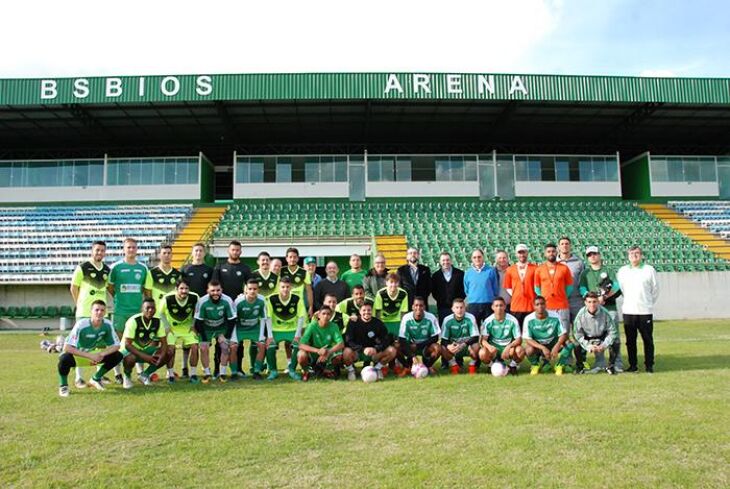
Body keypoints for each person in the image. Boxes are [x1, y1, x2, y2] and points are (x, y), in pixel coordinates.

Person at [57, 300, 122, 397]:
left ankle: (96, 379)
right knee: (64, 359)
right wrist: (91, 356)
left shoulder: (107, 324)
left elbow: (116, 345)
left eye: (102, 310)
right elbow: (67, 347)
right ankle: (63, 386)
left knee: (118, 355)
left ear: (105, 312)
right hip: (79, 355)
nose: (99, 312)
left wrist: (101, 354)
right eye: (96, 310)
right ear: (91, 311)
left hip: (94, 354)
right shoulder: (81, 324)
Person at [108, 237, 151, 382]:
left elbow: (147, 290)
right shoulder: (116, 267)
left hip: (137, 311)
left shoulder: (143, 268)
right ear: (124, 249)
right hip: (120, 311)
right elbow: (110, 286)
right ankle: (117, 373)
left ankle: (140, 373)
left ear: (137, 249)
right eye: (128, 247)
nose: (131, 250)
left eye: (133, 247)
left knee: (138, 342)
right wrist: (117, 298)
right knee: (119, 343)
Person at [69, 240, 110, 388]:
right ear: (92, 251)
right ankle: (78, 378)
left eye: (102, 250)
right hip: (85, 313)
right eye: (97, 250)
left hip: (101, 314)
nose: (99, 253)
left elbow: (107, 288)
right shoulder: (82, 268)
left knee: (100, 343)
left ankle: (98, 374)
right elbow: (73, 288)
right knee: (80, 345)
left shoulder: (106, 270)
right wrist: (79, 304)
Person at [578, 246, 623, 371]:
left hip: (610, 308)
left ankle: (617, 363)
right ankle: (600, 363)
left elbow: (616, 286)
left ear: (599, 255)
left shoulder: (609, 270)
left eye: (595, 253)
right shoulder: (585, 273)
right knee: (597, 336)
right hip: (594, 309)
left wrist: (604, 296)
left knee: (614, 336)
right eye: (589, 254)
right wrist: (593, 299)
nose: (592, 256)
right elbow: (582, 288)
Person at [617, 246, 659, 373]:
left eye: (637, 253)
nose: (634, 256)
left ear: (641, 255)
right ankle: (633, 365)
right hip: (629, 311)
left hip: (645, 311)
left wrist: (648, 303)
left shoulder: (649, 270)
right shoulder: (623, 271)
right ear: (628, 255)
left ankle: (649, 365)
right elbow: (621, 289)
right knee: (630, 341)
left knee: (647, 339)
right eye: (631, 253)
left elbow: (655, 289)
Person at [213, 240, 252, 376]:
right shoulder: (219, 266)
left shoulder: (245, 268)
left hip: (238, 308)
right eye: (233, 250)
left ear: (240, 252)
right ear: (228, 251)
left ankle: (238, 369)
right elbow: (215, 286)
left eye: (237, 250)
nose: (235, 252)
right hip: (222, 308)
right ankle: (217, 370)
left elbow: (249, 287)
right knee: (221, 340)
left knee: (238, 341)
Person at [120, 298, 170, 389]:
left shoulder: (158, 322)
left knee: (168, 352)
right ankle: (127, 377)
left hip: (144, 350)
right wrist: (145, 356)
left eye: (153, 308)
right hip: (127, 352)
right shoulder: (134, 321)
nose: (150, 310)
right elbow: (127, 345)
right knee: (130, 357)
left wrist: (162, 355)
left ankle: (144, 375)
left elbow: (164, 343)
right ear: (142, 309)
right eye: (147, 308)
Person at [180, 242, 214, 377]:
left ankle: (205, 367)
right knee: (188, 339)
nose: (198, 253)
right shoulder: (185, 269)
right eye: (196, 251)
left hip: (204, 308)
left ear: (204, 253)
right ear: (192, 252)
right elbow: (181, 288)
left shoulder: (209, 270)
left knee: (204, 341)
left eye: (201, 251)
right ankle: (184, 367)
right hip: (188, 309)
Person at [265, 276, 308, 381]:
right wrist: (270, 336)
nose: (285, 289)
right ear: (279, 287)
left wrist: (297, 335)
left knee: (297, 346)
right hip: (276, 330)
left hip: (292, 329)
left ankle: (292, 370)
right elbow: (268, 317)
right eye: (283, 287)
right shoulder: (272, 299)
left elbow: (301, 317)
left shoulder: (297, 299)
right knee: (270, 346)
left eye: (287, 287)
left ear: (291, 287)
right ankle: (273, 371)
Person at [194, 280, 236, 383]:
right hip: (206, 328)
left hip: (221, 327)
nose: (215, 293)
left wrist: (225, 336)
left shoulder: (227, 300)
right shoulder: (202, 301)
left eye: (218, 290)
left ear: (221, 290)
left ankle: (222, 373)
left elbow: (232, 320)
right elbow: (198, 322)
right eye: (212, 290)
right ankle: (207, 373)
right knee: (203, 348)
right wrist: (204, 338)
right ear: (207, 290)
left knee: (225, 347)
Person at [159, 280, 200, 383]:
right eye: (181, 288)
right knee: (171, 349)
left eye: (186, 288)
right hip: (172, 329)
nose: (184, 291)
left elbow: (197, 311)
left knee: (195, 347)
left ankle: (193, 374)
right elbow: (161, 313)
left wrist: (193, 325)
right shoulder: (168, 298)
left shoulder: (194, 297)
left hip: (187, 329)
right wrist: (167, 327)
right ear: (176, 289)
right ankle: (171, 375)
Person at [343, 302, 396, 381]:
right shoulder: (353, 323)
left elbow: (385, 340)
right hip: (358, 352)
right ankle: (351, 370)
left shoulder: (378, 323)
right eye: (364, 310)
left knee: (392, 350)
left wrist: (376, 349)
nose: (366, 312)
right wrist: (362, 349)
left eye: (369, 310)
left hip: (374, 353)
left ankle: (377, 368)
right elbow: (349, 341)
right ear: (360, 311)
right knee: (346, 352)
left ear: (372, 311)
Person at [231, 279, 271, 380]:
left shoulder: (262, 300)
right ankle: (234, 373)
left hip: (254, 328)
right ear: (246, 290)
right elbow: (233, 320)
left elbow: (264, 319)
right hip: (240, 328)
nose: (252, 291)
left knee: (262, 345)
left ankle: (256, 371)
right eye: (250, 289)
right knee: (233, 347)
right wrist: (233, 336)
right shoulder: (238, 302)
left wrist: (262, 335)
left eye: (255, 289)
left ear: (258, 290)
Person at [523, 296, 572, 376]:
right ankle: (535, 364)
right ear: (534, 306)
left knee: (569, 343)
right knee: (528, 349)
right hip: (539, 345)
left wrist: (557, 345)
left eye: (542, 304)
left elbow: (564, 334)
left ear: (545, 305)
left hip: (553, 342)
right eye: (537, 304)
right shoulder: (528, 319)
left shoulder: (555, 316)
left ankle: (559, 365)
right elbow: (528, 339)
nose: (540, 306)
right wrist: (542, 348)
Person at [573, 292, 620, 374]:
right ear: (585, 303)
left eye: (594, 302)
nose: (592, 305)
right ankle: (580, 367)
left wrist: (604, 345)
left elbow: (613, 332)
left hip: (602, 336)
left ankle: (611, 366)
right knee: (576, 344)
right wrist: (588, 346)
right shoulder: (580, 315)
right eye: (589, 302)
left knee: (616, 341)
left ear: (598, 302)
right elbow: (577, 334)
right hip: (587, 337)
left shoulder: (605, 313)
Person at [296, 306, 345, 381]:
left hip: (327, 352)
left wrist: (328, 352)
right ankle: (306, 371)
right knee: (301, 355)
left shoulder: (334, 326)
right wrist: (318, 351)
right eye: (323, 313)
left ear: (331, 315)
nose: (326, 316)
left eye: (328, 314)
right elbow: (301, 345)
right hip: (314, 351)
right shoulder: (312, 326)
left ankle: (329, 370)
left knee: (338, 356)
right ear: (319, 315)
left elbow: (341, 344)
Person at [533, 243, 573, 333]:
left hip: (562, 306)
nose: (551, 253)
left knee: (564, 332)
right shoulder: (539, 269)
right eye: (549, 252)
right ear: (545, 254)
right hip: (546, 306)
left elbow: (570, 287)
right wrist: (544, 299)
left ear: (557, 252)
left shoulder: (564, 268)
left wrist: (562, 296)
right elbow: (537, 288)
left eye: (553, 251)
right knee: (548, 332)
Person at [479, 297, 524, 375]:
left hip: (507, 348)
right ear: (492, 307)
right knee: (482, 353)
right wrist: (490, 347)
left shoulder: (512, 320)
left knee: (520, 350)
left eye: (501, 305)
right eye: (496, 306)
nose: (499, 308)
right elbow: (483, 340)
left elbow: (519, 339)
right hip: (494, 349)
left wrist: (508, 347)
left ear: (505, 306)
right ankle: (491, 366)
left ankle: (512, 366)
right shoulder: (488, 321)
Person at [398, 296, 441, 375]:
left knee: (437, 348)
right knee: (396, 346)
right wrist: (412, 355)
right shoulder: (406, 318)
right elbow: (402, 339)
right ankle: (407, 367)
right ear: (412, 307)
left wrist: (418, 345)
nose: (418, 308)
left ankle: (428, 366)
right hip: (411, 346)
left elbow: (435, 337)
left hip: (425, 346)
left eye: (421, 305)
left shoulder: (431, 317)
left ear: (424, 307)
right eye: (416, 305)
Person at [440, 298, 480, 375]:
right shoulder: (447, 320)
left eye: (461, 307)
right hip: (454, 347)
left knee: (476, 345)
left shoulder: (470, 318)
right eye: (457, 307)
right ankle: (454, 366)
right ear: (452, 309)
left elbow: (475, 337)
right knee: (443, 348)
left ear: (465, 308)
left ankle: (472, 366)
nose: (459, 310)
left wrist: (463, 344)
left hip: (467, 346)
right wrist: (448, 346)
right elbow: (443, 339)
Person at [503, 244, 537, 327]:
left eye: (524, 252)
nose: (522, 255)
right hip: (516, 306)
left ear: (527, 253)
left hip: (531, 305)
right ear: (516, 254)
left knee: (531, 331)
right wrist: (516, 294)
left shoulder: (535, 268)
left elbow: (539, 285)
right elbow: (507, 286)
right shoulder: (510, 269)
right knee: (517, 331)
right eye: (519, 253)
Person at [463, 248, 499, 325]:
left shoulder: (491, 270)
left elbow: (495, 288)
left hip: (488, 304)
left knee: (489, 329)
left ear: (483, 257)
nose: (477, 259)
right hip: (473, 305)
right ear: (471, 259)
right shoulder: (468, 272)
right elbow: (466, 289)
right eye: (474, 257)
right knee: (474, 330)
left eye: (479, 257)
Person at [431, 252, 466, 325]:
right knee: (444, 329)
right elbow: (434, 292)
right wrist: (441, 300)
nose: (445, 262)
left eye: (447, 260)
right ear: (440, 262)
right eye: (443, 260)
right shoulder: (436, 276)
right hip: (442, 308)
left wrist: (458, 301)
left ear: (451, 261)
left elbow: (464, 289)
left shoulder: (460, 274)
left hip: (457, 308)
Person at [557, 237, 586, 324]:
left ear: (570, 246)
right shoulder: (554, 262)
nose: (564, 246)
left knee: (579, 327)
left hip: (576, 300)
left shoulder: (579, 262)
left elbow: (583, 281)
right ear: (558, 247)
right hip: (560, 300)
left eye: (566, 244)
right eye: (562, 244)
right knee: (563, 329)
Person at [147, 244, 182, 313]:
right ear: (159, 255)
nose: (166, 255)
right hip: (157, 312)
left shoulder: (178, 274)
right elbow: (148, 294)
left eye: (169, 253)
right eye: (164, 253)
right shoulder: (151, 273)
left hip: (173, 311)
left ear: (172, 255)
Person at [373, 272, 410, 338]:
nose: (393, 285)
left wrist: (402, 326)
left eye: (396, 282)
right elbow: (378, 312)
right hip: (384, 321)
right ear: (386, 283)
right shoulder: (380, 293)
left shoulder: (403, 294)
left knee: (398, 343)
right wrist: (380, 326)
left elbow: (403, 312)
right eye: (391, 282)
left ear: (398, 283)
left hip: (397, 321)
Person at [280, 247, 314, 317]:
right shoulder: (281, 271)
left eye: (295, 257)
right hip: (284, 304)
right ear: (286, 258)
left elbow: (309, 291)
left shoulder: (304, 272)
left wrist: (311, 307)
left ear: (298, 258)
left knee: (303, 327)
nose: (292, 259)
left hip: (299, 306)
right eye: (290, 257)